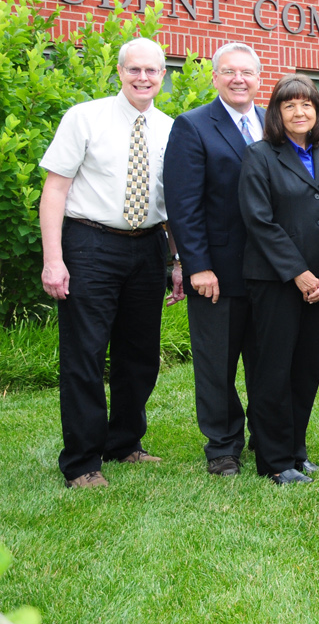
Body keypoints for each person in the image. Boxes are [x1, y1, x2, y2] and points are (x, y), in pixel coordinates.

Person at [39, 37, 185, 488]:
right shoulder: (85, 117)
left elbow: (176, 201)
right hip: (90, 244)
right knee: (84, 354)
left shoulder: (170, 128)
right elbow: (55, 190)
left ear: (164, 75)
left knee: (139, 354)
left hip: (149, 248)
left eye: (153, 70)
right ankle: (82, 462)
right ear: (119, 72)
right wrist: (53, 259)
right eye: (134, 70)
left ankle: (124, 443)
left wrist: (177, 261)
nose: (143, 78)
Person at [164, 42, 268, 478]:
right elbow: (182, 204)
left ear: (259, 78)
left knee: (268, 362)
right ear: (215, 78)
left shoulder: (273, 122)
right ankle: (222, 446)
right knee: (216, 365)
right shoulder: (192, 126)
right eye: (229, 72)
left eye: (246, 72)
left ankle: (272, 442)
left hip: (270, 272)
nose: (238, 79)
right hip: (218, 272)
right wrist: (197, 266)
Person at [237, 75, 319, 485]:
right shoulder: (260, 156)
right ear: (277, 113)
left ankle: (297, 450)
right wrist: (298, 272)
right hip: (276, 280)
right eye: (289, 105)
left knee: (305, 369)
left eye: (307, 105)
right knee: (273, 369)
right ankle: (275, 461)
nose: (299, 112)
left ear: (317, 112)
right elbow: (259, 221)